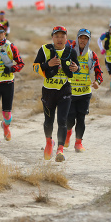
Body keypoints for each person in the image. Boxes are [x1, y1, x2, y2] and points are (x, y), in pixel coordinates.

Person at [33, 26, 79, 162]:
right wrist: (48, 64)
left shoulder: (71, 51)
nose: (59, 39)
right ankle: (49, 143)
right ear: (52, 37)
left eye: (62, 36)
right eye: (56, 36)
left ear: (66, 38)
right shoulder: (44, 49)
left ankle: (60, 149)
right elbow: (35, 66)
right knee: (48, 121)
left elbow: (77, 67)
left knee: (62, 121)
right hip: (48, 91)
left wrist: (76, 68)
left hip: (65, 90)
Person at [65, 29, 103, 152]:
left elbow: (99, 72)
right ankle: (68, 133)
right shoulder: (69, 52)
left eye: (86, 38)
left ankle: (78, 143)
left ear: (88, 40)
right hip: (70, 92)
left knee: (81, 118)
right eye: (81, 38)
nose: (83, 40)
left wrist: (97, 82)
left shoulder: (92, 55)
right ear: (77, 38)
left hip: (85, 93)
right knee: (70, 118)